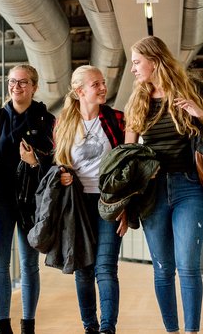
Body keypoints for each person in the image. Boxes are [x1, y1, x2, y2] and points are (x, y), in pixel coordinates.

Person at [124, 36, 203, 334]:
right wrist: (125, 201)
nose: (133, 69)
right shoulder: (138, 99)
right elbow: (128, 154)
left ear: (154, 60)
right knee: (163, 268)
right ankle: (172, 331)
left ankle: (192, 332)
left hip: (190, 186)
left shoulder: (194, 88)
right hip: (152, 191)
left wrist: (200, 113)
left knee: (188, 265)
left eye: (137, 62)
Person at [0, 65, 55, 334]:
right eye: (12, 82)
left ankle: (28, 324)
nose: (16, 87)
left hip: (32, 200)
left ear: (34, 87)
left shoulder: (47, 121)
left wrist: (35, 162)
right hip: (0, 198)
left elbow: (57, 163)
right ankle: (2, 325)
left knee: (29, 263)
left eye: (23, 83)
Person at [53, 65, 127, 334]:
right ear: (79, 91)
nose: (103, 87)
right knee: (83, 269)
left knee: (106, 267)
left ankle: (108, 328)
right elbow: (59, 164)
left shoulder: (117, 119)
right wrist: (62, 176)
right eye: (96, 84)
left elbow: (128, 166)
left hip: (109, 202)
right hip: (77, 204)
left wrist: (125, 207)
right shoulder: (63, 123)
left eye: (103, 83)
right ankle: (90, 327)